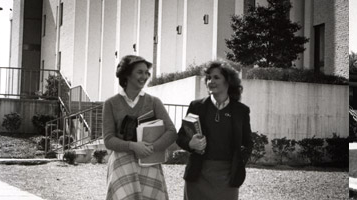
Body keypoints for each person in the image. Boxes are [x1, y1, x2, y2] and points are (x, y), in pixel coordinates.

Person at [103, 55, 177, 200]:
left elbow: (171, 132)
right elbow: (108, 139)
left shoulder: (154, 102)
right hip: (121, 164)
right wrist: (133, 146)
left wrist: (151, 148)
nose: (145, 76)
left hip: (149, 161)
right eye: (140, 72)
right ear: (127, 74)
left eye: (146, 73)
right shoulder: (111, 103)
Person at [176, 60, 253, 200]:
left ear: (228, 81)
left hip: (228, 177)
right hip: (198, 174)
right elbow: (181, 137)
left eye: (216, 77)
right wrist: (190, 144)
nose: (211, 81)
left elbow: (248, 143)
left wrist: (237, 165)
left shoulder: (241, 111)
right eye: (208, 78)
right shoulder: (196, 106)